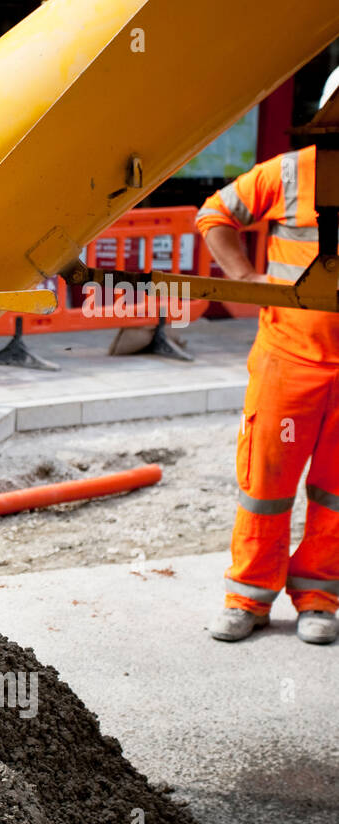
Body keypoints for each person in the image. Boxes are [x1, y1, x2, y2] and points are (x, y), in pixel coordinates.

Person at [197, 69, 339, 645]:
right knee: (267, 484)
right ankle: (248, 598)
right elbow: (215, 215)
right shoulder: (289, 172)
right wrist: (247, 278)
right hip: (289, 358)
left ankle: (319, 596)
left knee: (336, 492)